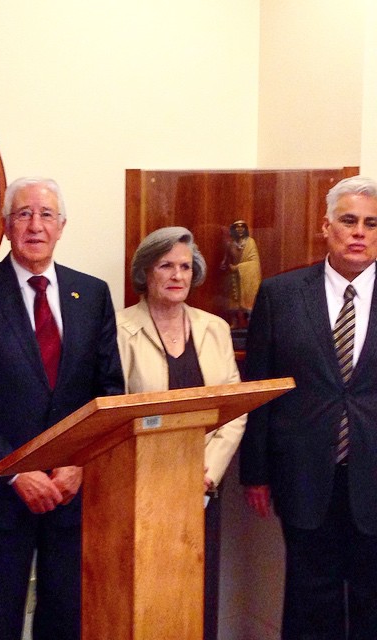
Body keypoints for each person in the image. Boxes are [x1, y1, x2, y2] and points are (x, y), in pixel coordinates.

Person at [0, 176, 124, 640]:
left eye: (45, 215)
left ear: (61, 226)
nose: (35, 225)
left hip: (71, 493)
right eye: (23, 214)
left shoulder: (92, 294)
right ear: (5, 227)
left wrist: (79, 463)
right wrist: (17, 472)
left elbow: (109, 393)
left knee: (66, 621)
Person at [240, 175, 377, 639]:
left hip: (374, 471)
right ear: (326, 227)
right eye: (349, 221)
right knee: (308, 600)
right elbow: (260, 388)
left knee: (371, 600)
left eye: (372, 224)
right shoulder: (281, 295)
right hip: (303, 473)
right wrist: (254, 471)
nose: (360, 232)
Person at [116, 226, 246, 640]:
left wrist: (206, 474)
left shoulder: (215, 329)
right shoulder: (119, 330)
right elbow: (116, 413)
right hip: (143, 488)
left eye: (185, 267)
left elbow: (233, 411)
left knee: (198, 588)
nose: (177, 275)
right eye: (165, 265)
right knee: (147, 593)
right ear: (145, 273)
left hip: (202, 486)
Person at [220, 220, 262, 329]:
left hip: (246, 277)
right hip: (234, 277)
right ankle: (234, 322)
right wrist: (225, 265)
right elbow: (226, 259)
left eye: (242, 227)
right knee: (234, 301)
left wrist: (238, 267)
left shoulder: (250, 242)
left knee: (248, 300)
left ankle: (250, 323)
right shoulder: (231, 244)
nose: (239, 229)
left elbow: (254, 262)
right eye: (237, 227)